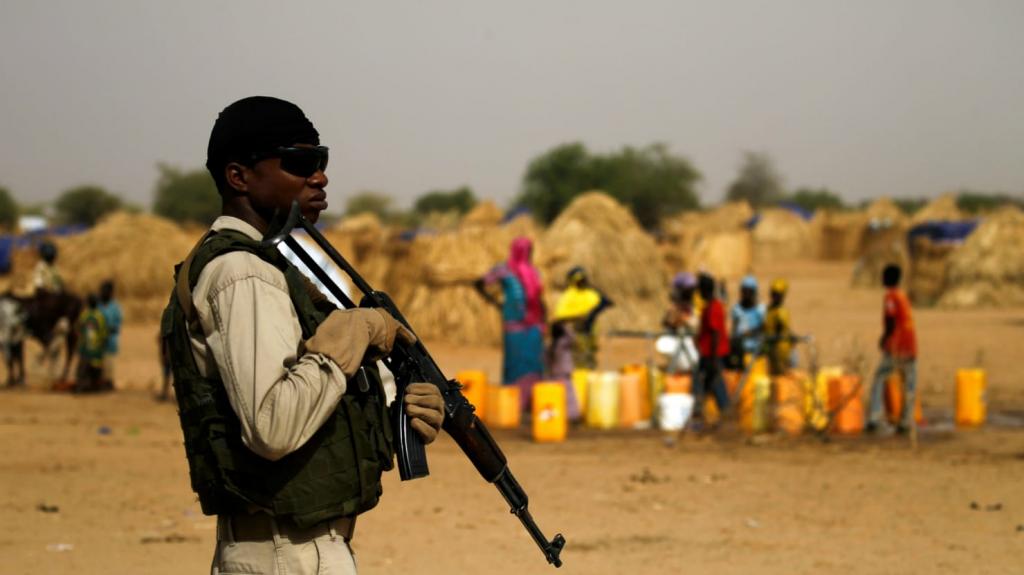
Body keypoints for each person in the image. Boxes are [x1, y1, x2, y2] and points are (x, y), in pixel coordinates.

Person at [162, 96, 445, 575]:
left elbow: (311, 402)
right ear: (239, 177)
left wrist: (392, 403)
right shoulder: (242, 274)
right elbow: (273, 425)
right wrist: (351, 336)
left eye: (322, 161)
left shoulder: (263, 266)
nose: (319, 176)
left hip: (296, 547)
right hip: (284, 553)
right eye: (299, 163)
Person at [475, 237, 546, 406]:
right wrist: (495, 302)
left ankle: (530, 402)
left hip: (534, 325)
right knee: (515, 361)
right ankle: (512, 402)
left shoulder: (534, 272)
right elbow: (479, 283)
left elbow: (539, 299)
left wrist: (544, 321)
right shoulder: (503, 270)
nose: (528, 254)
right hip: (514, 323)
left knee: (533, 361)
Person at [867, 264, 918, 434]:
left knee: (880, 378)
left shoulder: (890, 297)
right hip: (911, 346)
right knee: (909, 383)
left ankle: (874, 416)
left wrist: (884, 338)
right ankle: (905, 421)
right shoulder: (903, 296)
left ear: (887, 279)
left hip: (896, 346)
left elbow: (890, 320)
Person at [552, 266, 613, 370]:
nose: (582, 282)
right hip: (575, 333)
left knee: (589, 360)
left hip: (590, 332)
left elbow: (606, 302)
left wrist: (593, 312)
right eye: (579, 280)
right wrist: (579, 316)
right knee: (578, 362)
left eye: (583, 279)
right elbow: (560, 316)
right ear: (572, 281)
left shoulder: (590, 293)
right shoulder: (569, 296)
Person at [692, 272, 730, 428]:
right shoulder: (710, 307)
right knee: (704, 385)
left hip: (713, 355)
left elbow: (715, 334)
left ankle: (725, 417)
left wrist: (713, 360)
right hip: (708, 354)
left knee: (713, 384)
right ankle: (702, 416)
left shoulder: (714, 308)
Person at [729, 275, 765, 369]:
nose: (746, 294)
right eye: (744, 291)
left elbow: (763, 328)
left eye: (749, 291)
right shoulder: (736, 309)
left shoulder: (760, 310)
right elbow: (734, 329)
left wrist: (750, 333)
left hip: (756, 352)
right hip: (740, 351)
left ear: (754, 292)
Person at [74, 293, 107, 393]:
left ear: (88, 303)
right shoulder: (100, 316)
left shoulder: (84, 315)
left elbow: (78, 329)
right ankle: (95, 386)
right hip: (96, 348)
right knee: (96, 369)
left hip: (85, 348)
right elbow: (103, 333)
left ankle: (81, 386)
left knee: (82, 370)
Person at [763, 279, 794, 377]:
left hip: (780, 351)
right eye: (773, 293)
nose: (774, 296)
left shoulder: (781, 312)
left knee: (780, 377)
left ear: (782, 296)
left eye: (777, 294)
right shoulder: (769, 309)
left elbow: (779, 330)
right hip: (771, 349)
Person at [97, 280, 122, 389]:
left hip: (110, 341)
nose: (103, 293)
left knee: (109, 363)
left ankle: (108, 382)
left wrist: (108, 330)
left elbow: (117, 323)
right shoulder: (97, 305)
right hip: (98, 341)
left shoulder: (115, 307)